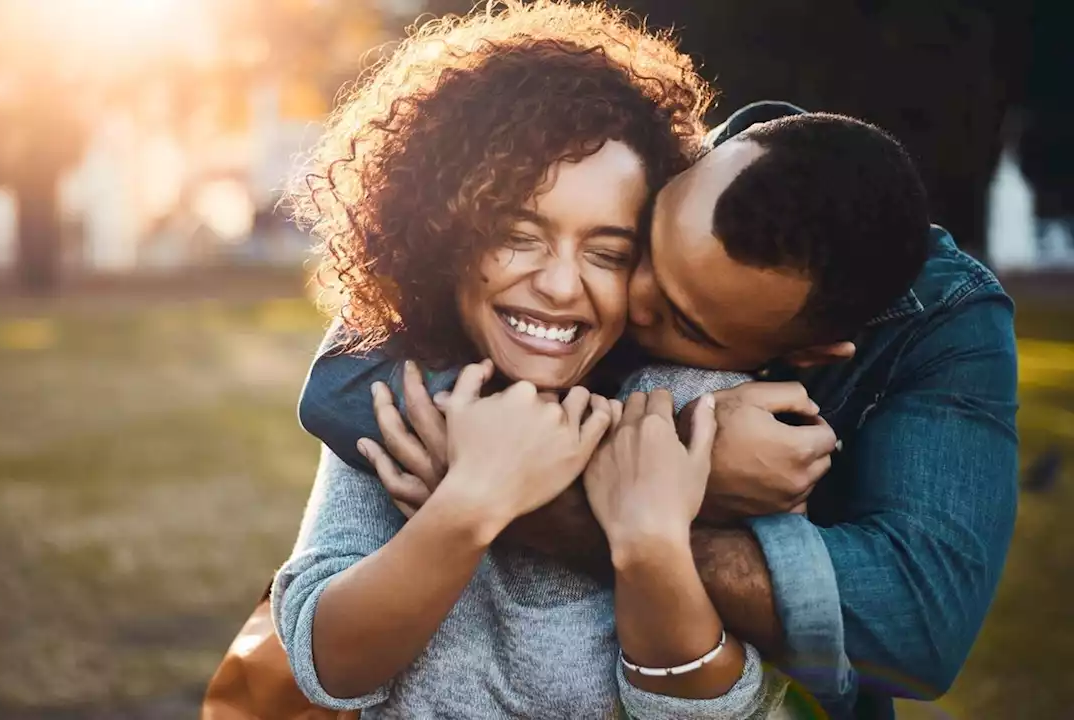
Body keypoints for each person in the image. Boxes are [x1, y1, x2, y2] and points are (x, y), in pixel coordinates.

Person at [301, 99, 1019, 719]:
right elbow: (343, 381)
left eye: (685, 320)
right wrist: (673, 461)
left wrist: (642, 512)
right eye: (639, 244)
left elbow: (914, 625)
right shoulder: (631, 169)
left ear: (801, 355)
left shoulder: (932, 323)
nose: (628, 299)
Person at [273, 2, 789, 717]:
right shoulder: (407, 392)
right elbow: (330, 666)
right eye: (518, 235)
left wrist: (648, 545)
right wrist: (475, 499)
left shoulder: (694, 406)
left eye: (608, 253)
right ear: (443, 232)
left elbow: (717, 708)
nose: (558, 284)